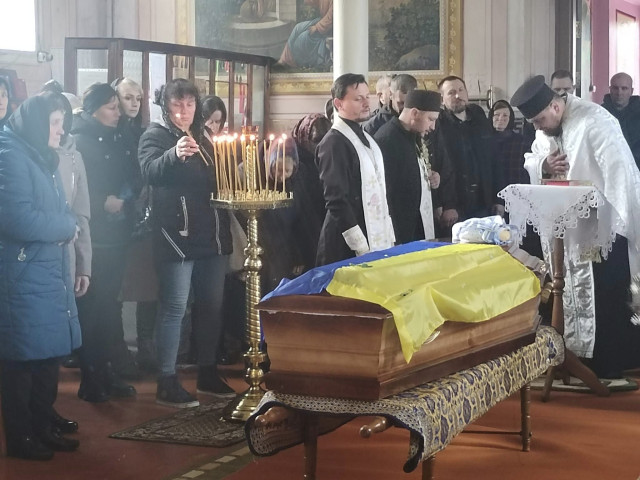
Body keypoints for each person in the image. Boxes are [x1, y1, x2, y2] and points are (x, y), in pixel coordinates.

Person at [511, 74, 640, 377]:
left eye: (540, 120)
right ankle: (567, 355)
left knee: (601, 294)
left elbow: (621, 174)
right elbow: (534, 155)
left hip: (599, 229)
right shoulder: (547, 126)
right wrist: (543, 165)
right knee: (563, 289)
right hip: (563, 230)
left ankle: (603, 364)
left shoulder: (596, 122)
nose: (537, 127)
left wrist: (620, 223)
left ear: (555, 107)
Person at [138, 78, 234, 408]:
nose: (184, 111)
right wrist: (173, 154)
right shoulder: (155, 135)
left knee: (211, 306)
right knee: (175, 307)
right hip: (176, 235)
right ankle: (166, 379)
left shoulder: (204, 137)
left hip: (211, 234)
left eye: (190, 104)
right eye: (177, 104)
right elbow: (149, 171)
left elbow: (219, 179)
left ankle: (208, 372)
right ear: (166, 107)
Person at [0, 92, 81, 460]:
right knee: (22, 362)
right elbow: (16, 218)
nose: (60, 130)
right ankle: (22, 438)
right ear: (36, 124)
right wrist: (65, 227)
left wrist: (66, 225)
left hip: (44, 271)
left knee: (46, 357)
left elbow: (58, 207)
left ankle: (42, 427)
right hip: (21, 275)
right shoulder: (10, 155)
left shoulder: (36, 153)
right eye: (54, 123)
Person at [72, 83, 139, 402]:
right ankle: (91, 377)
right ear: (93, 110)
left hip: (117, 235)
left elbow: (130, 172)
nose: (118, 112)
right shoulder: (79, 141)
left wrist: (129, 195)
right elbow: (74, 189)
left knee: (110, 307)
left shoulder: (119, 136)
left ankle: (107, 371)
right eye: (111, 107)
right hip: (93, 237)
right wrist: (102, 203)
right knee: (92, 309)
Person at [315, 73, 395, 266]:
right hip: (345, 244)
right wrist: (359, 244)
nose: (367, 103)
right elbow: (336, 200)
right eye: (358, 99)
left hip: (370, 230)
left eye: (367, 97)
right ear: (339, 103)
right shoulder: (334, 143)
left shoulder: (366, 137)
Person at [432, 75, 504, 236]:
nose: (458, 95)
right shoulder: (437, 124)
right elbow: (437, 166)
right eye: (451, 93)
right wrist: (447, 205)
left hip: (484, 201)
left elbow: (494, 159)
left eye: (461, 90)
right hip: (456, 207)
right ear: (442, 100)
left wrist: (499, 199)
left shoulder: (479, 117)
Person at [374, 89, 442, 244]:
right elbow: (387, 192)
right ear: (415, 113)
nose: (433, 127)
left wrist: (430, 177)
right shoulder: (387, 140)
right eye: (431, 119)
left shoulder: (414, 134)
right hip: (400, 229)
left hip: (418, 222)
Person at [291, 113, 331, 269]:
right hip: (302, 234)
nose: (319, 147)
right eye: (315, 141)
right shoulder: (295, 164)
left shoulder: (328, 156)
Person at [277, 0, 333, 69]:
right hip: (322, 20)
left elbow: (331, 16)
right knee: (297, 27)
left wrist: (317, 27)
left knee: (304, 36)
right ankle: (285, 58)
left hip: (329, 26)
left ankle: (293, 61)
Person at [601, 72, 640, 170]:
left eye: (624, 88)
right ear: (610, 89)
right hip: (609, 168)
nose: (619, 93)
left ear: (631, 91)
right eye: (615, 88)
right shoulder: (600, 113)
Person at [489, 99, 530, 187]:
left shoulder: (522, 142)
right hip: (490, 191)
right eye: (497, 115)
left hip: (515, 190)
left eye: (505, 115)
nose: (500, 118)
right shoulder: (484, 142)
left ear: (510, 118)